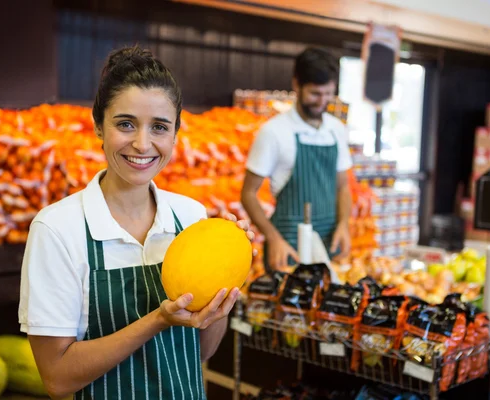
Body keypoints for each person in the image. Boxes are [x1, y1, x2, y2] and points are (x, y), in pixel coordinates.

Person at [18, 45, 253, 400]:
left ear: (175, 134)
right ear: (99, 126)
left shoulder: (192, 217)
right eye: (126, 124)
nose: (142, 144)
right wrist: (157, 320)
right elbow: (57, 378)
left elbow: (200, 352)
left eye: (159, 127)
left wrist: (224, 288)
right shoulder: (57, 229)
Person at [241, 47, 352, 270]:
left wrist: (344, 225)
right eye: (314, 94)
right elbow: (248, 194)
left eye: (328, 94)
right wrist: (273, 238)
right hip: (288, 246)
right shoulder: (274, 132)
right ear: (296, 85)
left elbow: (343, 187)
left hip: (329, 243)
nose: (322, 101)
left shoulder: (336, 130)